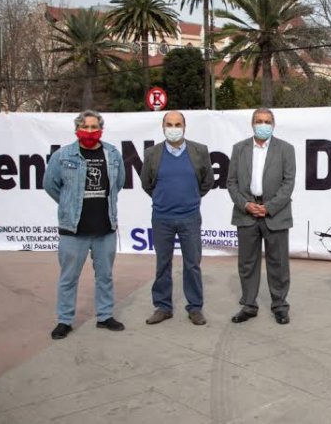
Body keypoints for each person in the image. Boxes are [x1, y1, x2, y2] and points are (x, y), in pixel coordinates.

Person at [44, 110, 126, 339]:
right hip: (73, 230)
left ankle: (105, 315)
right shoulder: (63, 155)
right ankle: (64, 320)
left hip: (104, 228)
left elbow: (118, 184)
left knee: (105, 276)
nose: (90, 131)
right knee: (69, 277)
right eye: (85, 127)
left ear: (100, 129)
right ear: (77, 129)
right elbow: (50, 184)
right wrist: (69, 204)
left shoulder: (112, 154)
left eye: (94, 127)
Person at [140, 111, 214, 326]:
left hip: (190, 217)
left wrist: (190, 198)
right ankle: (163, 307)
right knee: (163, 264)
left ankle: (195, 308)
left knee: (192, 264)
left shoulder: (199, 151)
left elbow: (207, 181)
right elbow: (147, 183)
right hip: (161, 218)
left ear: (185, 126)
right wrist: (164, 199)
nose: (174, 128)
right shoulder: (152, 153)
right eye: (169, 124)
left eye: (177, 124)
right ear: (163, 127)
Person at [226, 108, 296, 325]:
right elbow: (231, 182)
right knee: (247, 263)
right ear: (252, 124)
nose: (263, 125)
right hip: (246, 213)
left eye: (267, 121)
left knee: (279, 262)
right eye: (259, 121)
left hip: (275, 214)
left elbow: (288, 182)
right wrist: (246, 204)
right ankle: (249, 305)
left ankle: (280, 306)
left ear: (273, 124)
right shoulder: (239, 149)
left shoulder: (285, 149)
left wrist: (269, 207)